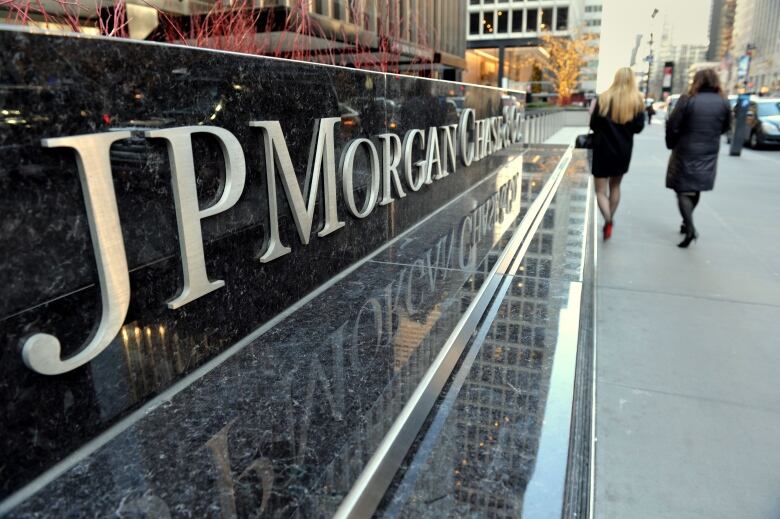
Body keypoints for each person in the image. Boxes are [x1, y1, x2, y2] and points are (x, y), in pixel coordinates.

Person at [665, 69, 731, 248]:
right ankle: (687, 222)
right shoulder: (723, 102)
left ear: (697, 81)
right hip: (709, 151)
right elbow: (726, 126)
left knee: (682, 190)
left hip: (686, 149)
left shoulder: (688, 99)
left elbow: (673, 124)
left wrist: (671, 143)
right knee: (696, 187)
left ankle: (691, 227)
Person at [590, 67, 646, 240]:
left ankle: (607, 220)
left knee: (600, 190)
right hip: (623, 150)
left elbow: (593, 124)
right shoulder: (637, 101)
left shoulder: (604, 98)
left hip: (602, 149)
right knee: (615, 186)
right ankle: (610, 219)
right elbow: (638, 128)